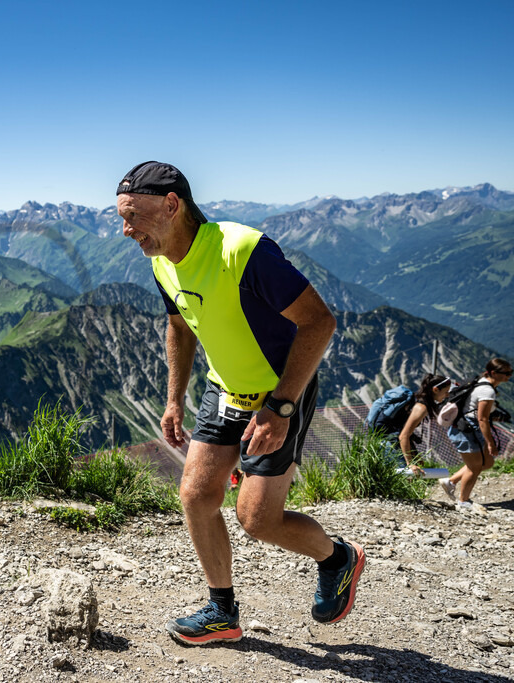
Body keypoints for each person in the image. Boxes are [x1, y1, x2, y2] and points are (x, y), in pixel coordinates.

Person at [117, 161, 360, 646]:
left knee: (257, 519)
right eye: (121, 219)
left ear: (172, 205)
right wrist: (173, 401)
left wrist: (281, 407)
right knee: (196, 496)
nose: (127, 231)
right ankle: (221, 611)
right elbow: (181, 325)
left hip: (279, 392)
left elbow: (319, 323)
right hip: (224, 387)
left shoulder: (241, 249)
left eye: (135, 217)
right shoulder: (160, 256)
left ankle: (338, 559)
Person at [441, 358, 512, 508]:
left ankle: (450, 481)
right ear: (493, 373)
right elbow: (482, 419)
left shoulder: (481, 382)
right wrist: (491, 443)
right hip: (467, 431)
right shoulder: (487, 390)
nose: (509, 375)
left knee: (487, 462)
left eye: (511, 372)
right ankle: (463, 501)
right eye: (506, 372)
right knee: (475, 468)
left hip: (467, 427)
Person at [395, 374, 451, 476]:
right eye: (446, 392)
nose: (447, 395)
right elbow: (403, 435)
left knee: (415, 473)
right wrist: (410, 463)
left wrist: (414, 455)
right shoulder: (421, 408)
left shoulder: (422, 402)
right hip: (389, 437)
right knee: (407, 475)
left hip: (394, 436)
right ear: (435, 390)